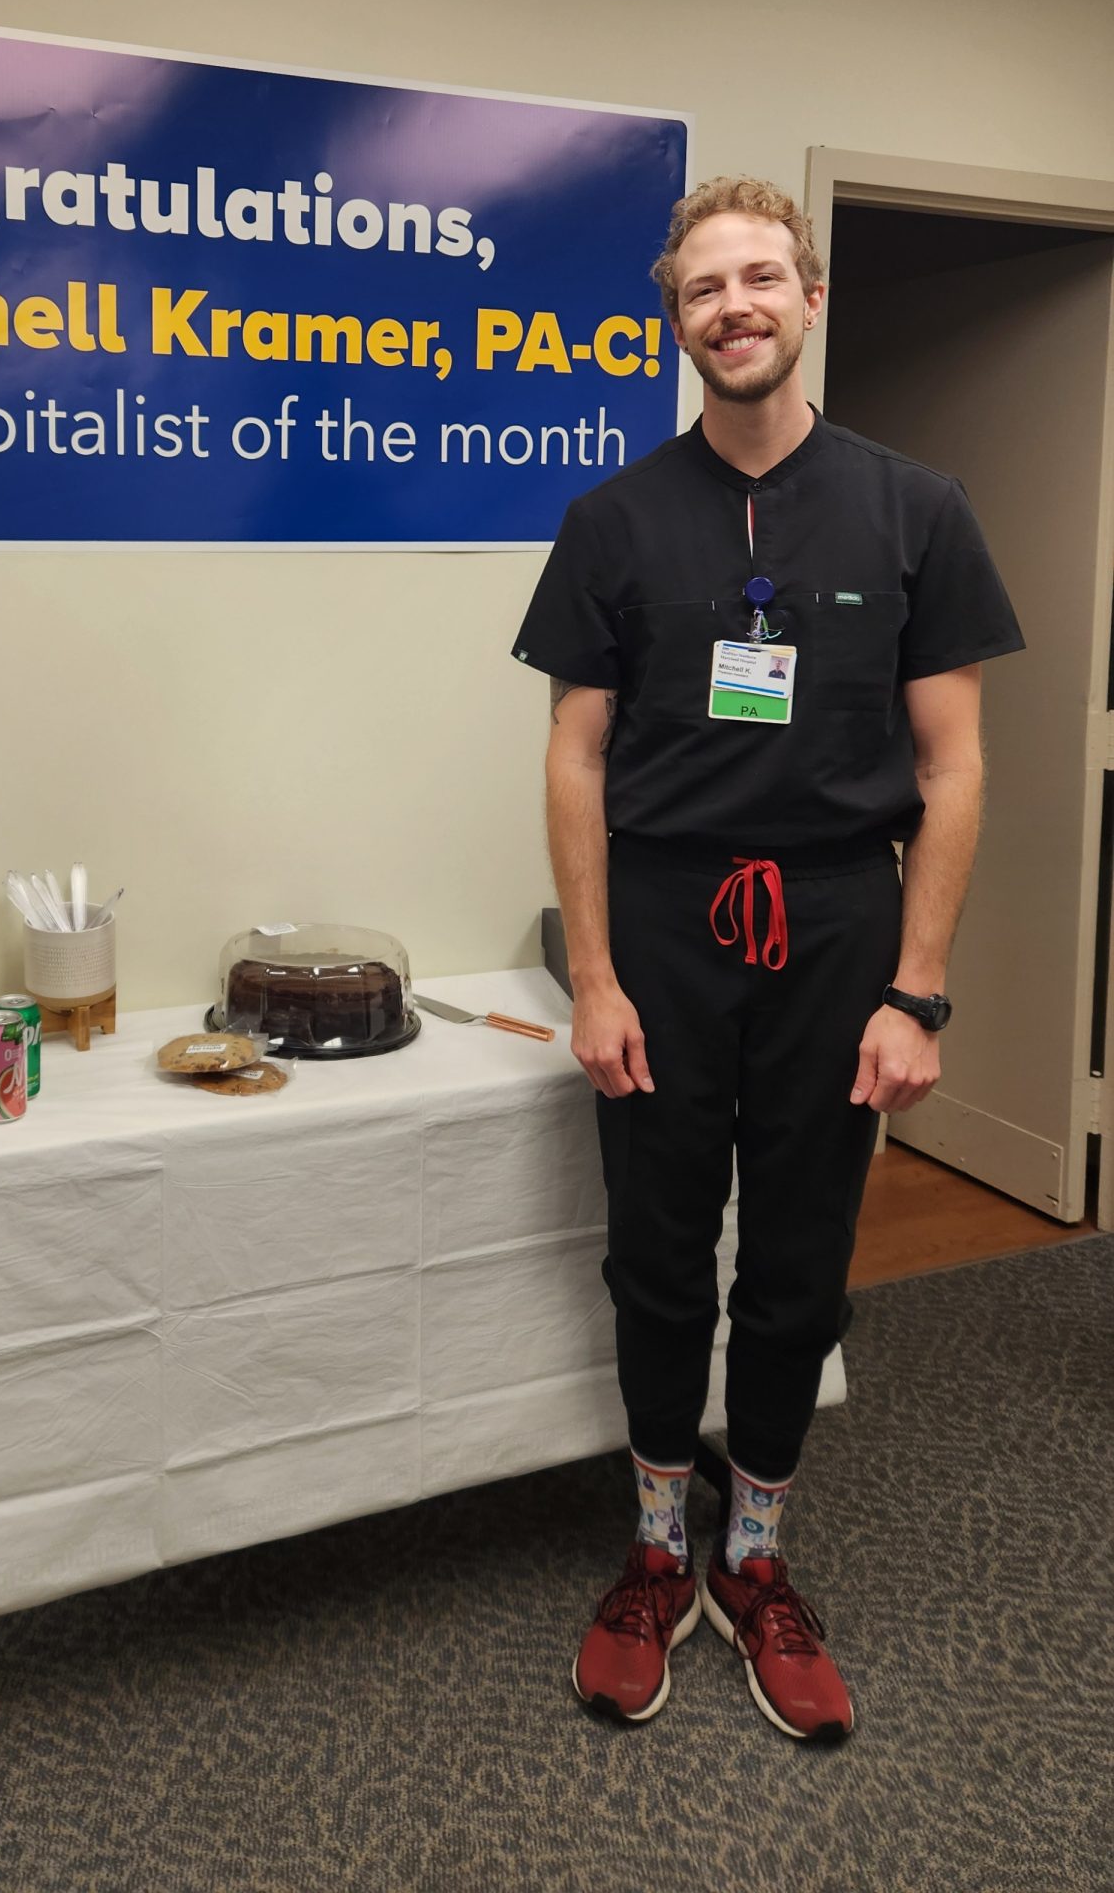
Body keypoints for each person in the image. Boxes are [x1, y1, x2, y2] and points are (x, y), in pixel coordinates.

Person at [512, 176, 1023, 1742]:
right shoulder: (614, 520)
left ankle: (759, 1558)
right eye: (700, 289)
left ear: (807, 300)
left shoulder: (915, 508)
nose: (731, 307)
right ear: (676, 321)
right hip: (664, 930)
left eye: (759, 278)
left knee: (798, 1269)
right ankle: (658, 1550)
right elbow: (575, 759)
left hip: (836, 931)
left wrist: (916, 989)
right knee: (657, 1259)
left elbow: (955, 768)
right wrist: (593, 978)